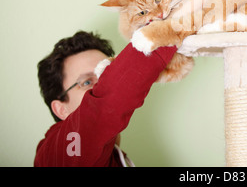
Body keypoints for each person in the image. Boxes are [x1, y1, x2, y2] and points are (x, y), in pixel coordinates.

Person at [34, 30, 177, 166]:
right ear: (61, 109)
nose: (102, 84)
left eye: (105, 72)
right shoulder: (57, 154)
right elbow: (103, 105)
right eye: (87, 82)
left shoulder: (112, 157)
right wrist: (165, 31)